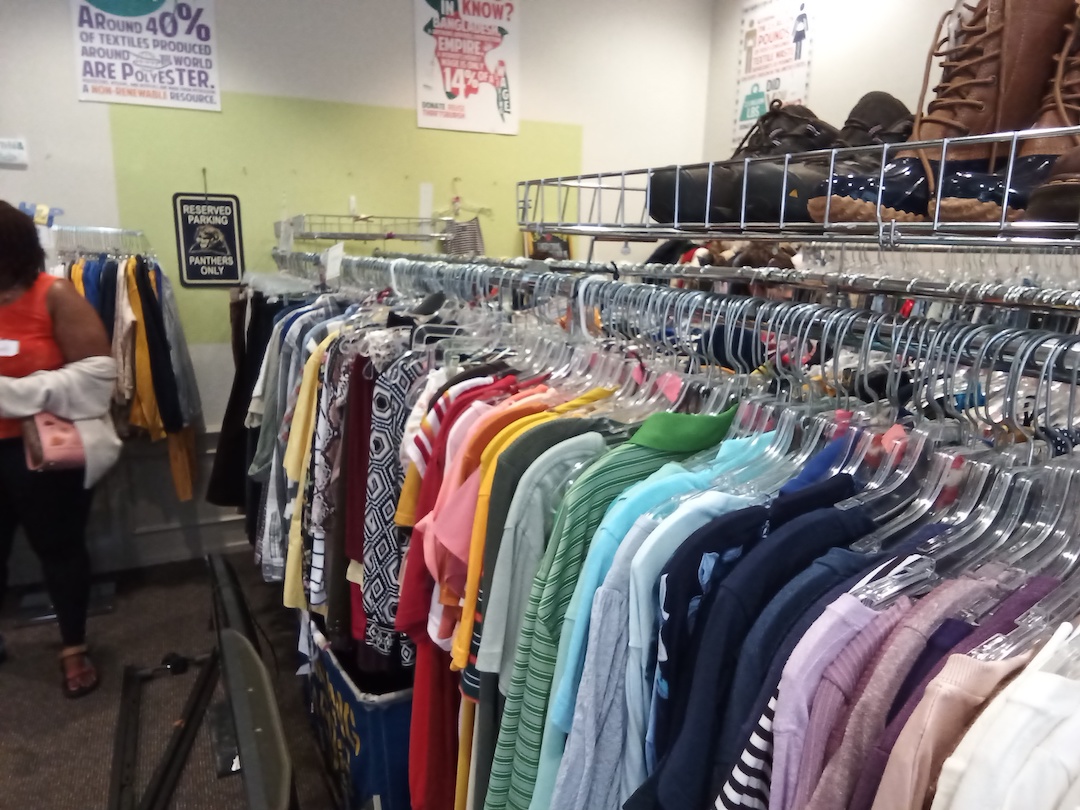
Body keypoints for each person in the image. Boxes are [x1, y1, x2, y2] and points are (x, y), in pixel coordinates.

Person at [0, 201, 119, 698]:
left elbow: (98, 377)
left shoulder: (54, 295)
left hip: (41, 454)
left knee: (60, 549)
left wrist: (14, 393)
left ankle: (73, 647)